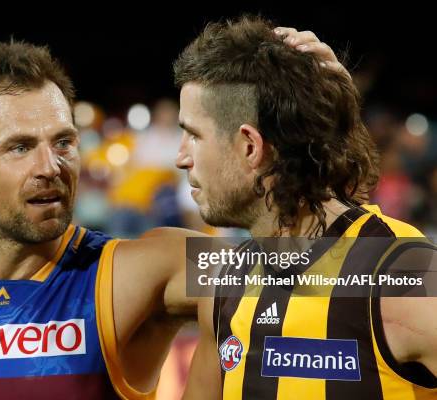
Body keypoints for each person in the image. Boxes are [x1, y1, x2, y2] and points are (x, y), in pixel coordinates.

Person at [0, 30, 343, 400]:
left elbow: (323, 268)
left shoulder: (141, 271)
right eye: (19, 147)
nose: (51, 167)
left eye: (63, 142)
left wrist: (325, 125)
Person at [174, 16, 437, 400]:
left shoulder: (407, 274)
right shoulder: (222, 279)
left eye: (193, 135)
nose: (181, 158)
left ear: (250, 146)